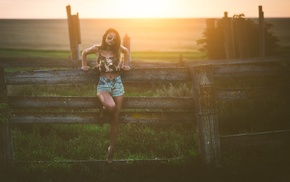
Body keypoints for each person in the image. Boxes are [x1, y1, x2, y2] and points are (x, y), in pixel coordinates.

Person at [81, 28, 130, 163]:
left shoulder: (118, 49)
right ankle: (104, 110)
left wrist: (126, 65)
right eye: (110, 37)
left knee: (115, 119)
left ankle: (111, 150)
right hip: (103, 85)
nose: (112, 40)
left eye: (114, 38)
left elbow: (126, 51)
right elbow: (84, 52)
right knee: (110, 106)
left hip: (118, 84)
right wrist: (84, 66)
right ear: (105, 37)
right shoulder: (97, 49)